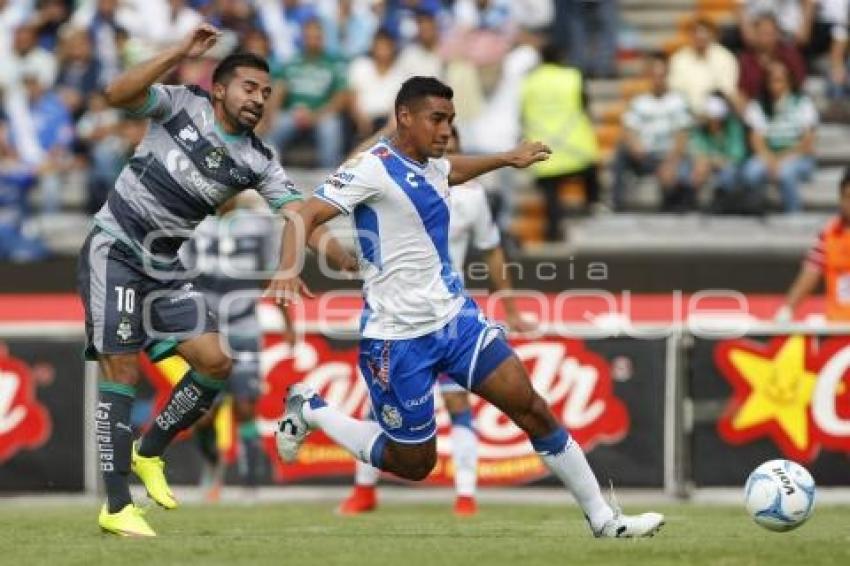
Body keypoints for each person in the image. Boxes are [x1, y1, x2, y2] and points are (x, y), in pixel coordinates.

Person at [270, 76, 664, 538]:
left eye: (451, 121)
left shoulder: (434, 166)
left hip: (456, 323)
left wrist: (506, 158)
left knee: (533, 408)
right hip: (396, 340)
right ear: (405, 117)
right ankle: (313, 409)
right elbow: (305, 214)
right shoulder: (371, 168)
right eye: (437, 119)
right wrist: (286, 268)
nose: (445, 130)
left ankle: (603, 519)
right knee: (415, 463)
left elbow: (453, 169)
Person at [77, 24, 354, 537]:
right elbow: (116, 95)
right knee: (122, 367)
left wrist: (342, 255)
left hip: (163, 265)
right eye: (249, 87)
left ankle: (148, 452)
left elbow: (299, 215)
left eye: (267, 93)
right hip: (114, 247)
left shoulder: (256, 159)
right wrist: (180, 50)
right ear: (220, 87)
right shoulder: (180, 103)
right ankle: (116, 506)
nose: (259, 99)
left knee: (215, 362)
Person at [337, 126, 535, 516]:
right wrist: (388, 131)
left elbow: (492, 250)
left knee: (458, 402)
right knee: (378, 407)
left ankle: (465, 495)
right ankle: (363, 492)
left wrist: (509, 305)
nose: (446, 153)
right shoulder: (391, 183)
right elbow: (348, 167)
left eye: (454, 147)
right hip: (394, 313)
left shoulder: (473, 197)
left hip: (445, 314)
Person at [151, 193, 294, 501]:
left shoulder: (257, 225)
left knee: (245, 407)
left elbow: (271, 272)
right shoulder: (195, 223)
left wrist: (288, 322)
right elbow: (178, 274)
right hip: (205, 327)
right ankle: (212, 466)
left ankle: (251, 482)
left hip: (244, 324)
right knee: (203, 413)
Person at [521, 42, 600, 239]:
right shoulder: (573, 76)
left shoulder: (529, 81)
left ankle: (553, 232)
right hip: (575, 148)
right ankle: (592, 213)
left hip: (544, 152)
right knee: (591, 180)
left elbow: (522, 113)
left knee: (552, 198)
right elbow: (585, 105)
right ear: (561, 57)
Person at [611, 53, 694, 212]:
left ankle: (678, 205)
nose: (658, 80)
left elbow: (682, 136)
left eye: (661, 76)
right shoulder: (640, 102)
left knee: (686, 164)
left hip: (669, 156)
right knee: (621, 152)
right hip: (646, 156)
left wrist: (671, 163)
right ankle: (617, 205)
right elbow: (628, 129)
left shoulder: (678, 101)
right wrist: (635, 145)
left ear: (667, 76)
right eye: (654, 76)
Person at [267, 18, 348, 169]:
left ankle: (328, 178)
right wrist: (273, 113)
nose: (312, 41)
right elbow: (279, 90)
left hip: (322, 114)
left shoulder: (333, 63)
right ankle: (269, 173)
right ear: (303, 39)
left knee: (331, 128)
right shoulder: (292, 62)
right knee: (276, 124)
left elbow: (341, 98)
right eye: (309, 37)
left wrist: (315, 116)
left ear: (323, 38)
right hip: (294, 113)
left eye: (316, 37)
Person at [741, 60, 817, 213]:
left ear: (789, 81)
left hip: (798, 157)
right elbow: (756, 140)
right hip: (768, 155)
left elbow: (807, 142)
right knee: (750, 172)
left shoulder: (803, 103)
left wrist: (780, 160)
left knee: (786, 173)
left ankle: (793, 215)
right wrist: (770, 160)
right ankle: (757, 213)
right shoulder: (758, 106)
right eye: (772, 80)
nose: (776, 85)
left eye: (780, 80)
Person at [776, 167, 850, 322]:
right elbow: (810, 273)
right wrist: (787, 309)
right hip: (838, 328)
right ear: (840, 198)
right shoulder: (828, 235)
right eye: (848, 197)